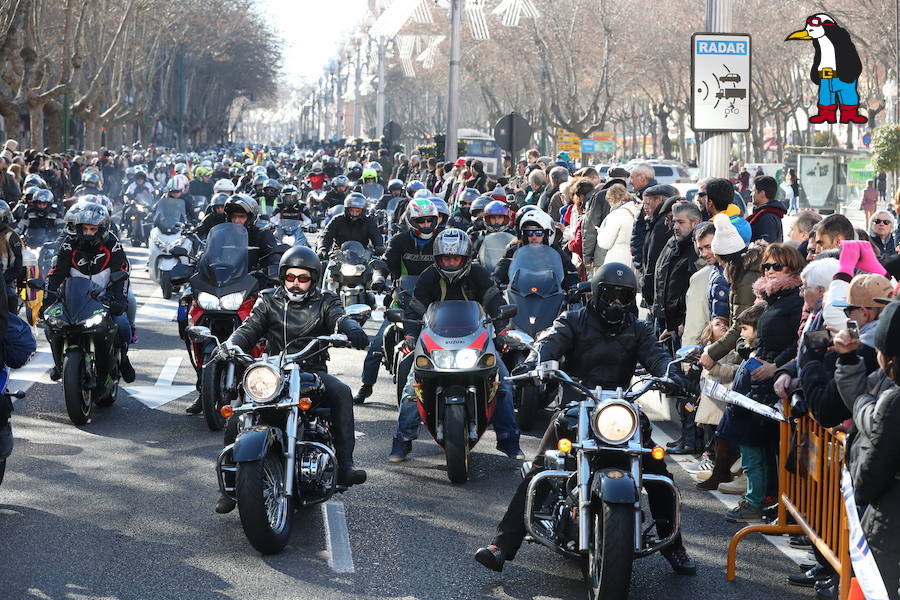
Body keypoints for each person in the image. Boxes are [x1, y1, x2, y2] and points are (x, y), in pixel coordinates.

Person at [473, 263, 697, 576]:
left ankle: (674, 546)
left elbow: (657, 354)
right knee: (541, 470)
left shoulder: (638, 327)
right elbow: (551, 340)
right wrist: (536, 361)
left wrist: (671, 373)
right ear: (596, 293)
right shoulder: (574, 320)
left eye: (624, 296)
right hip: (578, 404)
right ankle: (501, 545)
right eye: (610, 294)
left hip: (620, 408)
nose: (617, 302)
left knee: (659, 473)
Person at [212, 245, 369, 513]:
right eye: (290, 277)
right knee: (238, 416)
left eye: (303, 278)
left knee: (341, 392)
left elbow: (338, 318)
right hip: (273, 371)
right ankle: (231, 486)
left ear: (313, 280)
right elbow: (249, 328)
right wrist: (230, 344)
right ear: (283, 277)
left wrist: (350, 328)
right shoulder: (268, 300)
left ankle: (345, 466)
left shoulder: (326, 300)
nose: (296, 284)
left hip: (311, 370)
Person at [389, 228, 523, 462]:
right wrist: (410, 336)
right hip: (435, 342)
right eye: (446, 258)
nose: (451, 263)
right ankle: (403, 440)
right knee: (412, 388)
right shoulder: (428, 277)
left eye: (456, 258)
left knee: (502, 384)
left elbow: (494, 301)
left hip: (475, 340)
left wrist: (502, 331)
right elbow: (415, 308)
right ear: (437, 258)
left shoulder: (479, 274)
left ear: (466, 258)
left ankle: (508, 439)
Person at [833, 300, 900, 598]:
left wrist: (858, 490)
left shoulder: (893, 401)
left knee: (876, 588)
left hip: (890, 519)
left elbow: (873, 470)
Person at [353, 199, 439, 404]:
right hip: (402, 300)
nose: (426, 225)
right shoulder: (400, 241)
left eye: (430, 220)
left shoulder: (442, 240)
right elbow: (384, 263)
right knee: (376, 345)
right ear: (410, 221)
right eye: (421, 221)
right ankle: (366, 385)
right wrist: (379, 278)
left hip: (436, 303)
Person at [44, 201, 134, 383]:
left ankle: (123, 358)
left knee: (123, 324)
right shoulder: (68, 244)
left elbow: (121, 274)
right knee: (50, 326)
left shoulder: (114, 244)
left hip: (105, 297)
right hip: (73, 298)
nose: (88, 233)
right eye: (85, 229)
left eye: (93, 229)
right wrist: (47, 300)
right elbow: (56, 273)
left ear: (102, 228)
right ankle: (59, 362)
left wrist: (120, 300)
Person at [491, 209, 579, 288]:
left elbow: (571, 272)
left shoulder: (555, 251)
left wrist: (573, 286)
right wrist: (496, 278)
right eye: (529, 233)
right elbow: (503, 264)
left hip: (550, 297)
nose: (533, 237)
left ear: (547, 234)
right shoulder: (515, 250)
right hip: (520, 296)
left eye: (538, 232)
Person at [319, 192, 384, 257]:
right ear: (347, 209)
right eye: (351, 210)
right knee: (324, 265)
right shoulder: (337, 220)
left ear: (363, 211)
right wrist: (323, 248)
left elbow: (376, 235)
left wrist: (379, 246)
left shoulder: (369, 221)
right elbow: (326, 235)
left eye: (357, 211)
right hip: (339, 255)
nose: (354, 213)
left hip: (362, 257)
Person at [747, 176, 786, 243]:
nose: (751, 194)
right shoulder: (766, 213)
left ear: (762, 194)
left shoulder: (768, 218)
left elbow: (766, 248)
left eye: (753, 191)